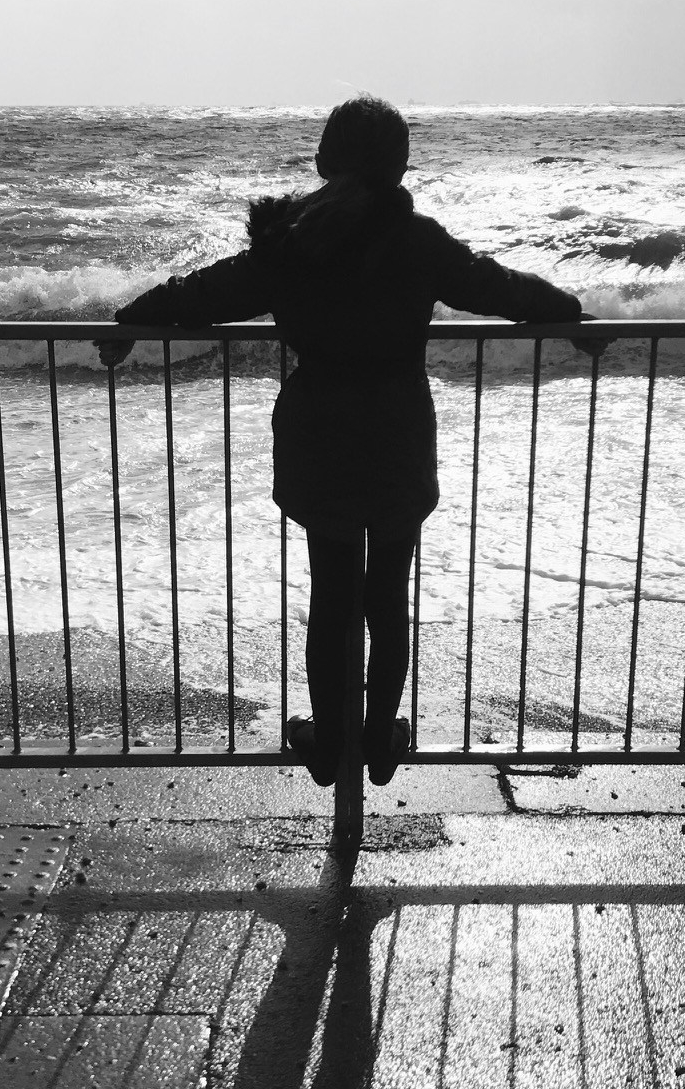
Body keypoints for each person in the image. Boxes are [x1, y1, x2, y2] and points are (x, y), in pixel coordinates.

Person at [103, 96, 587, 787]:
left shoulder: (291, 242)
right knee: (388, 598)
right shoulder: (418, 241)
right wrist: (569, 313)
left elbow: (205, 293)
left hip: (320, 435)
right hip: (396, 435)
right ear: (401, 165)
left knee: (332, 597)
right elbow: (498, 287)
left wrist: (131, 319)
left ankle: (329, 742)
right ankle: (381, 740)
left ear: (323, 159)